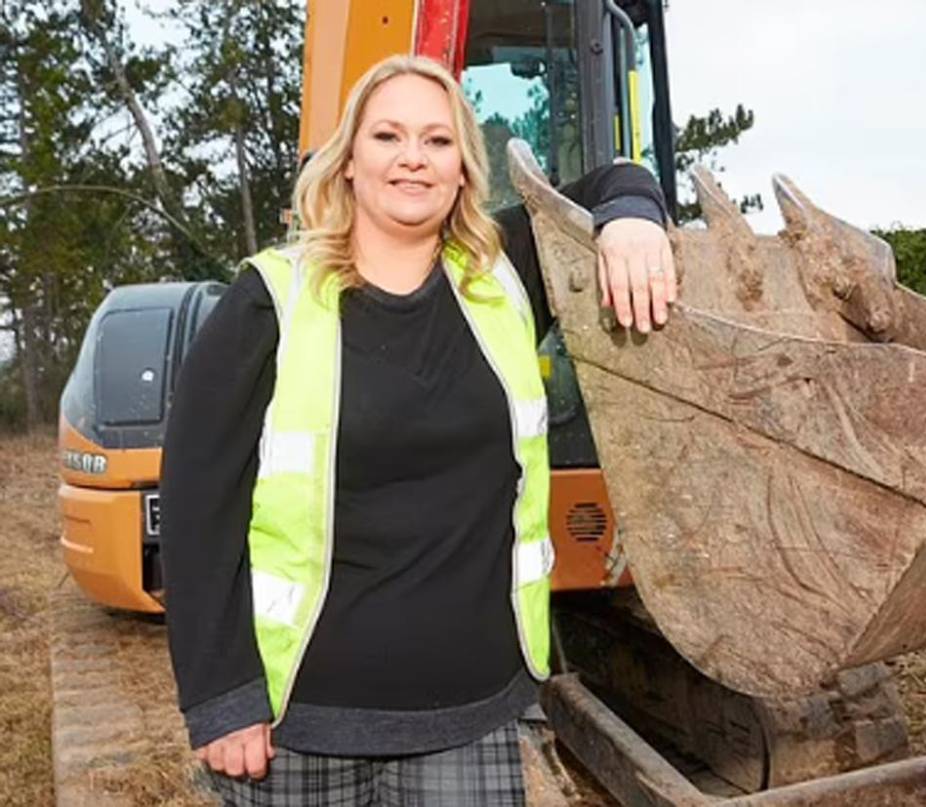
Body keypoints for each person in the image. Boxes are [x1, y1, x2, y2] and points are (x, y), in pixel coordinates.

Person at [159, 53, 675, 806]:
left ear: (464, 167)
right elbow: (198, 502)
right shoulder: (272, 299)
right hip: (298, 723)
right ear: (347, 161)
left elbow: (606, 182)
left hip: (473, 713)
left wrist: (632, 215)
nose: (413, 158)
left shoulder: (501, 274)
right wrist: (221, 695)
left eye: (437, 141)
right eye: (388, 136)